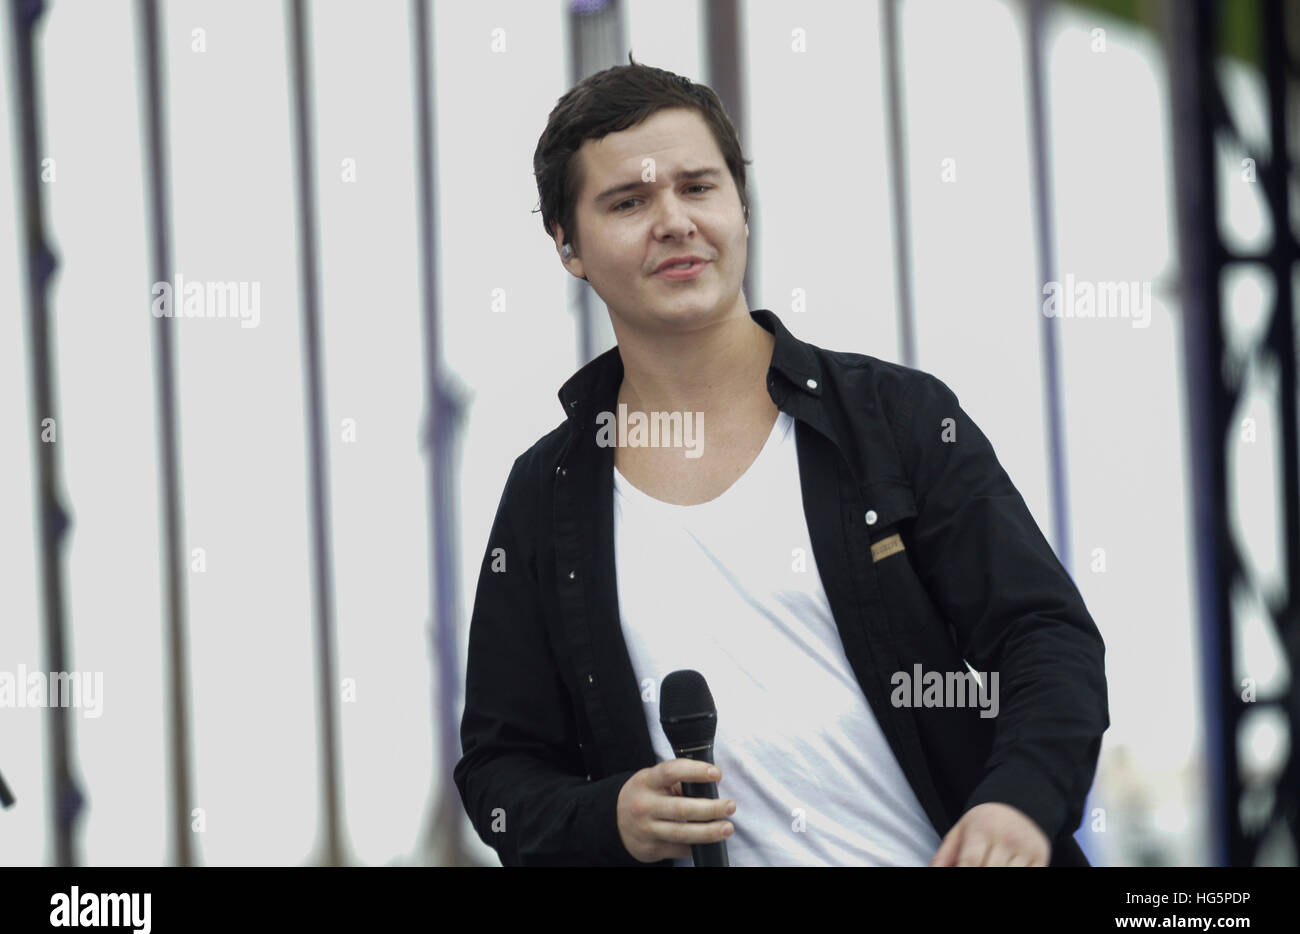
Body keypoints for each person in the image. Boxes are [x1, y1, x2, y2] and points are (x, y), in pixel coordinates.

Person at [453, 55, 1109, 867]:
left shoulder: (895, 418)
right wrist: (605, 818)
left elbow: (1045, 638)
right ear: (567, 244)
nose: (674, 221)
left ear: (740, 205)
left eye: (698, 188)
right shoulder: (546, 494)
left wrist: (1019, 804)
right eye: (628, 202)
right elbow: (499, 768)